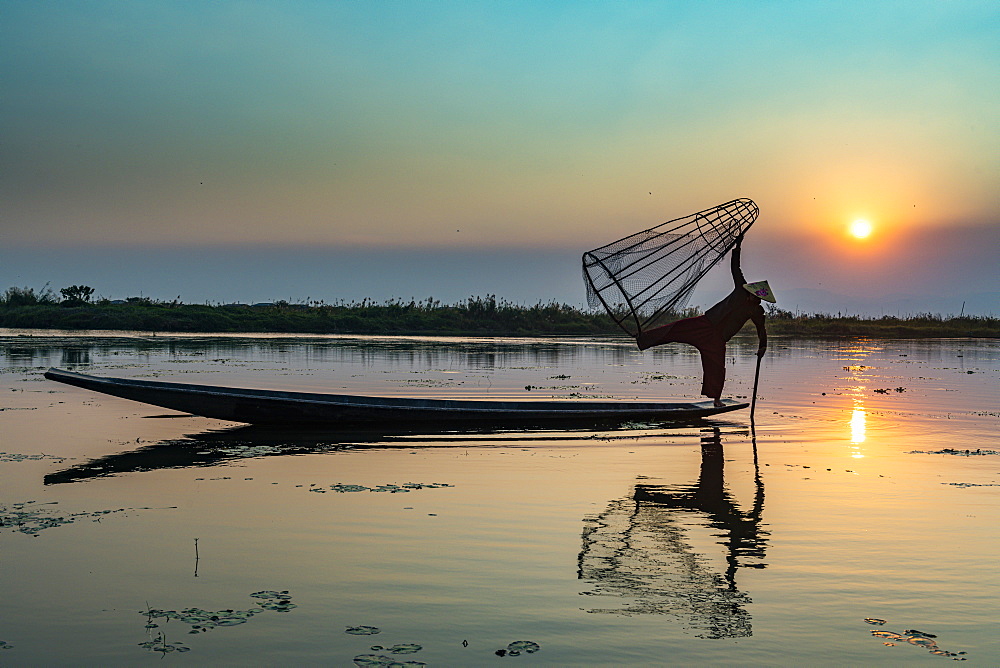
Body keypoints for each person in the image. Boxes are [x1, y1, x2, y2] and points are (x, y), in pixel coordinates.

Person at [635, 234, 771, 407]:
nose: (753, 298)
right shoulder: (741, 289)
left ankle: (716, 399)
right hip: (706, 323)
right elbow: (735, 268)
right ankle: (643, 339)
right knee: (676, 329)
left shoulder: (756, 310)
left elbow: (762, 330)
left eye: (756, 298)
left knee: (717, 368)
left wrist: (762, 347)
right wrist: (737, 247)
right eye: (753, 295)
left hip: (718, 338)